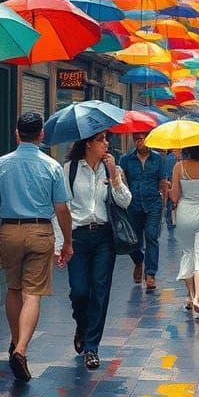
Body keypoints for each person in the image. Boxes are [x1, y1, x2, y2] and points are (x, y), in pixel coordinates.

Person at [0, 112, 72, 383]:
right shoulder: (52, 166)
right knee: (32, 293)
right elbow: (62, 209)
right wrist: (67, 241)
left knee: (14, 289)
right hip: (40, 231)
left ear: (17, 134)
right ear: (41, 135)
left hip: (8, 231)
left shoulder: (1, 165)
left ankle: (14, 340)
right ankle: (21, 349)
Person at [56, 131, 131, 369]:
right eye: (102, 139)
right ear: (89, 144)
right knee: (79, 291)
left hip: (103, 237)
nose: (107, 143)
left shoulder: (113, 169)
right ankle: (82, 324)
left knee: (100, 290)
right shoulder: (69, 170)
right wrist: (61, 243)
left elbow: (126, 201)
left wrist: (114, 178)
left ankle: (92, 347)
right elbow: (60, 208)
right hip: (76, 236)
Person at [119, 133, 169, 291]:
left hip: (153, 203)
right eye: (137, 138)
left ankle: (150, 274)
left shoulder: (158, 159)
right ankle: (138, 260)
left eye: (143, 138)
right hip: (133, 205)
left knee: (151, 236)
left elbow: (162, 183)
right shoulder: (126, 160)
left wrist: (163, 206)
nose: (140, 141)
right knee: (133, 240)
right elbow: (123, 182)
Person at [172, 143, 199, 319]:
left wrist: (170, 191)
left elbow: (175, 196)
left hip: (185, 214)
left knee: (188, 254)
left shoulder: (179, 166)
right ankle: (198, 297)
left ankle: (190, 296)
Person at [162, 149, 177, 233]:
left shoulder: (167, 159)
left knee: (170, 207)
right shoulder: (176, 159)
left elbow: (166, 177)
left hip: (171, 187)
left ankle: (171, 226)